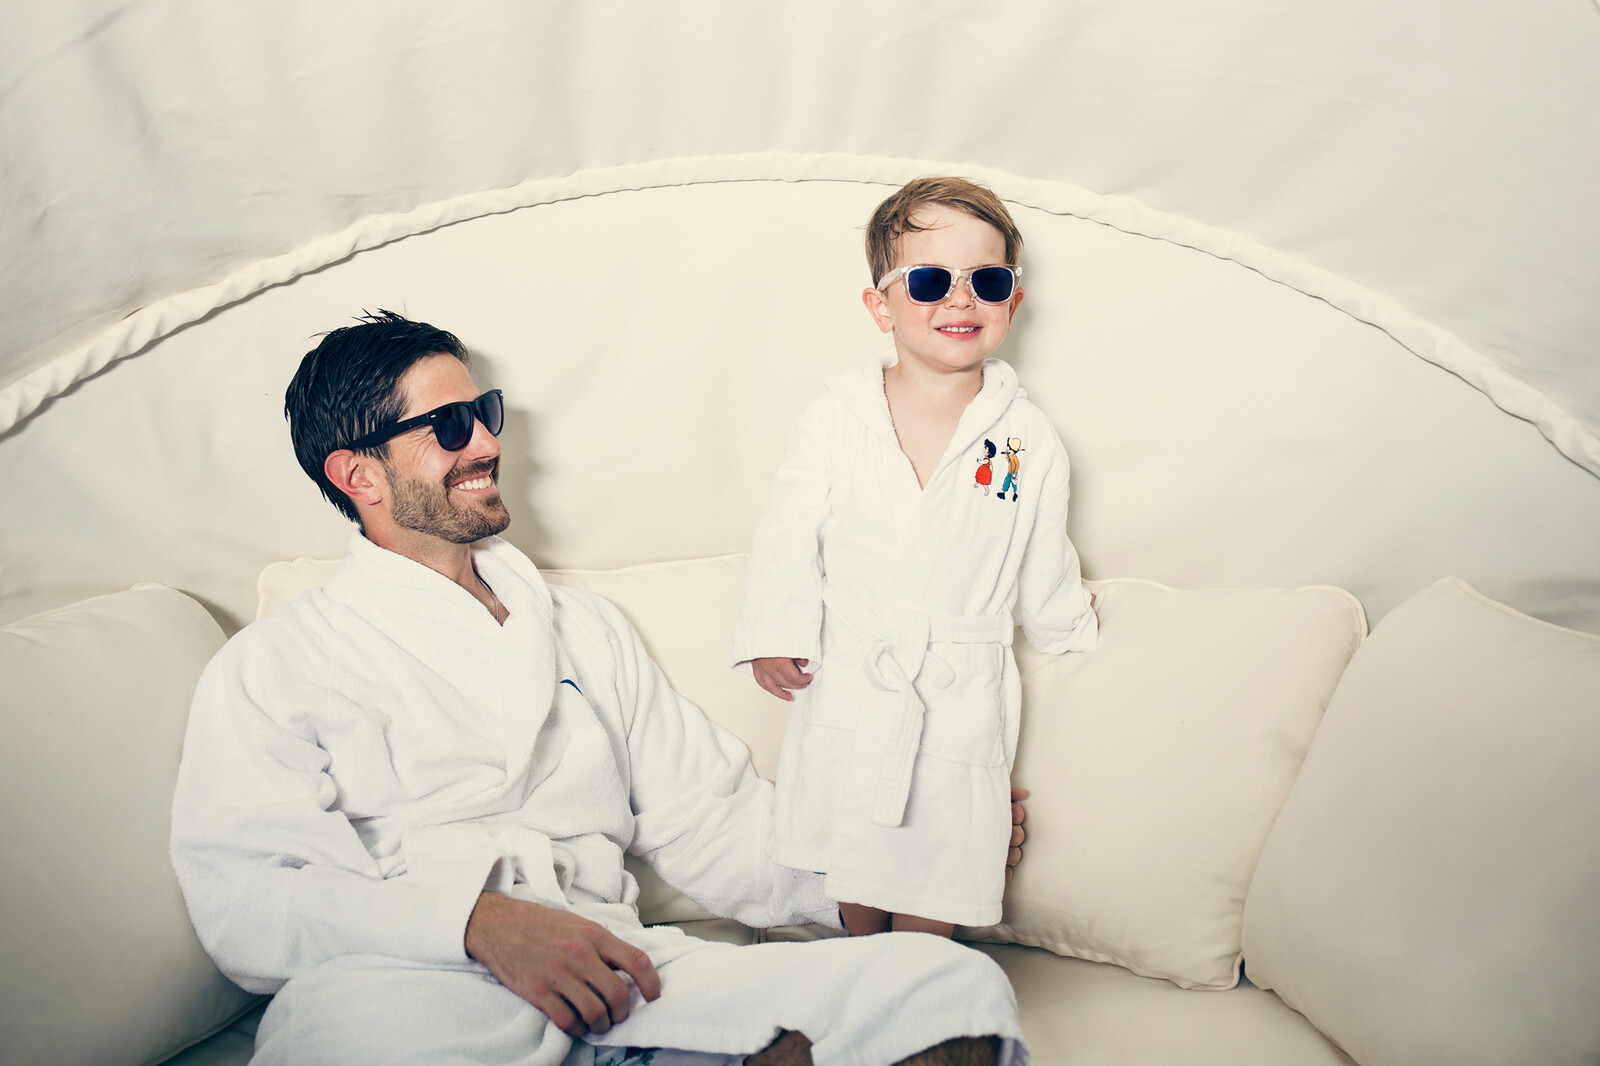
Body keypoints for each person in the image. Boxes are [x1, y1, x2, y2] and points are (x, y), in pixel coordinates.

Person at [169, 311, 1030, 1066]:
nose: (488, 443)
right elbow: (247, 899)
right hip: (410, 985)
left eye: (486, 414)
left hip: (621, 968)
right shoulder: (274, 665)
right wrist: (476, 926)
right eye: (450, 425)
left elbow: (708, 819)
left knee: (942, 988)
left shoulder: (582, 628)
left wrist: (912, 849)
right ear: (359, 476)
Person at [732, 177, 1097, 939]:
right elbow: (788, 534)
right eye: (930, 281)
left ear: (1013, 303)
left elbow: (1043, 555)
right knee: (853, 861)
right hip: (856, 673)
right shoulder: (835, 418)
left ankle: (923, 995)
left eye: (986, 282)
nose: (960, 301)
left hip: (961, 689)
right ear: (881, 306)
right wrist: (774, 629)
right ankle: (860, 981)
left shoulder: (1028, 437)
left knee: (942, 862)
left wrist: (1069, 624)